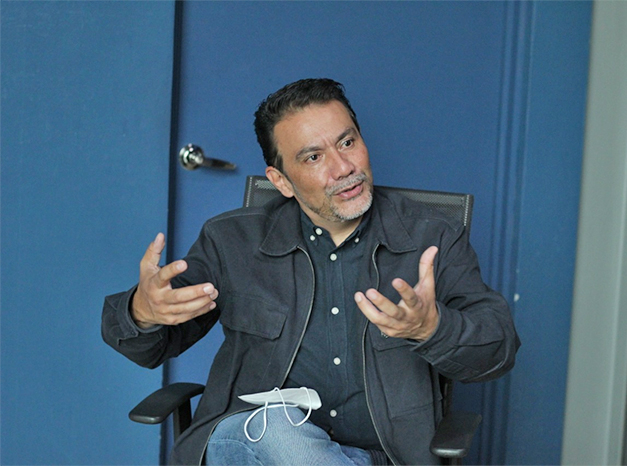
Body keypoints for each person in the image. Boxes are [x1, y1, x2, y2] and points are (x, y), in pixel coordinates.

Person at [102, 78, 520, 465]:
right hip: (259, 450)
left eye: (347, 142)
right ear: (281, 181)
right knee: (269, 430)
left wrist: (433, 329)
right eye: (314, 157)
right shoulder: (231, 242)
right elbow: (149, 348)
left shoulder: (434, 237)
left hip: (384, 458)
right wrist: (142, 312)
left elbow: (498, 350)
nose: (343, 168)